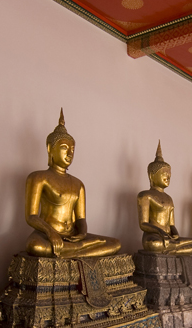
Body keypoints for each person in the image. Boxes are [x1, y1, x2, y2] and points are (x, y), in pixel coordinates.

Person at [25, 110, 121, 258]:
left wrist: (82, 234)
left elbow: (81, 219)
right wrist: (51, 233)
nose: (70, 153)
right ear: (50, 149)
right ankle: (75, 250)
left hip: (73, 237)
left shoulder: (78, 184)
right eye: (64, 147)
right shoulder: (39, 177)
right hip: (47, 236)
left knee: (115, 243)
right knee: (35, 246)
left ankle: (71, 249)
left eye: (72, 149)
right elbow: (31, 216)